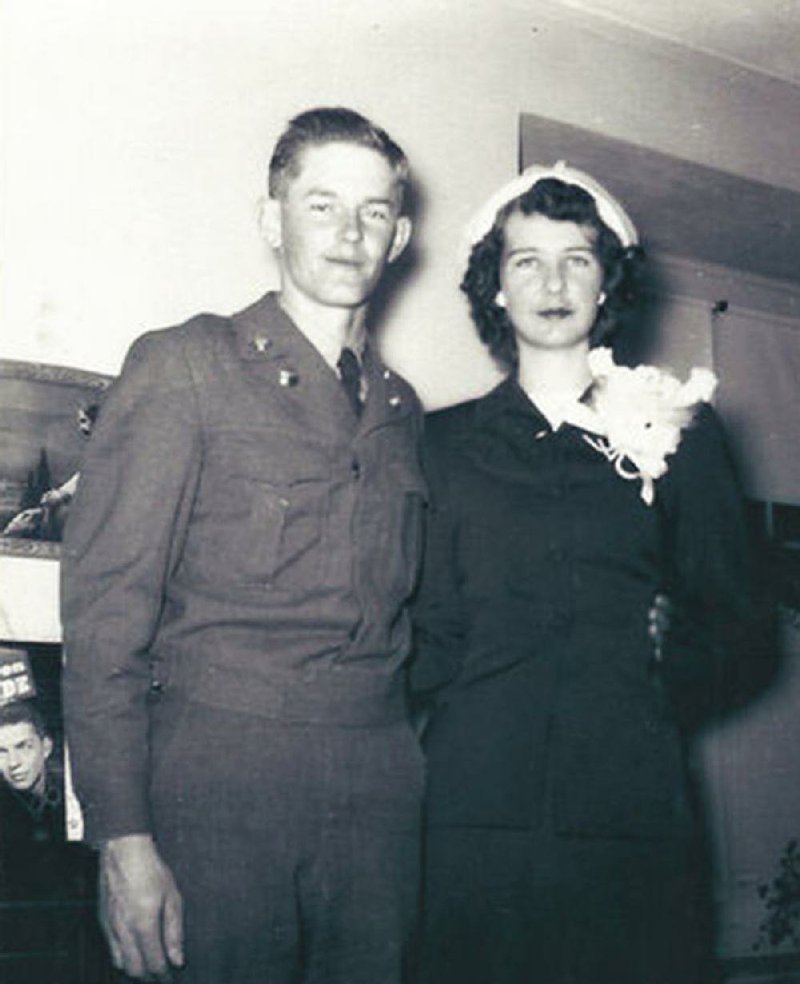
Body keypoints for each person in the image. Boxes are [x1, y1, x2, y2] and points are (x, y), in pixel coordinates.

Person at [61, 107, 426, 984]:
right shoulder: (188, 364)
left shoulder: (405, 411)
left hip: (379, 792)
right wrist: (122, 837)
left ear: (401, 235)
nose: (349, 233)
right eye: (321, 205)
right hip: (220, 781)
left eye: (374, 212)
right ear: (272, 219)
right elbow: (104, 621)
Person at [410, 163, 756, 984]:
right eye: (526, 260)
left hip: (629, 816)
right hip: (475, 821)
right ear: (494, 287)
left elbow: (739, 628)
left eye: (578, 258)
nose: (553, 281)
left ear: (609, 284)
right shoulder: (438, 446)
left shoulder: (683, 434)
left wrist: (678, 648)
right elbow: (421, 637)